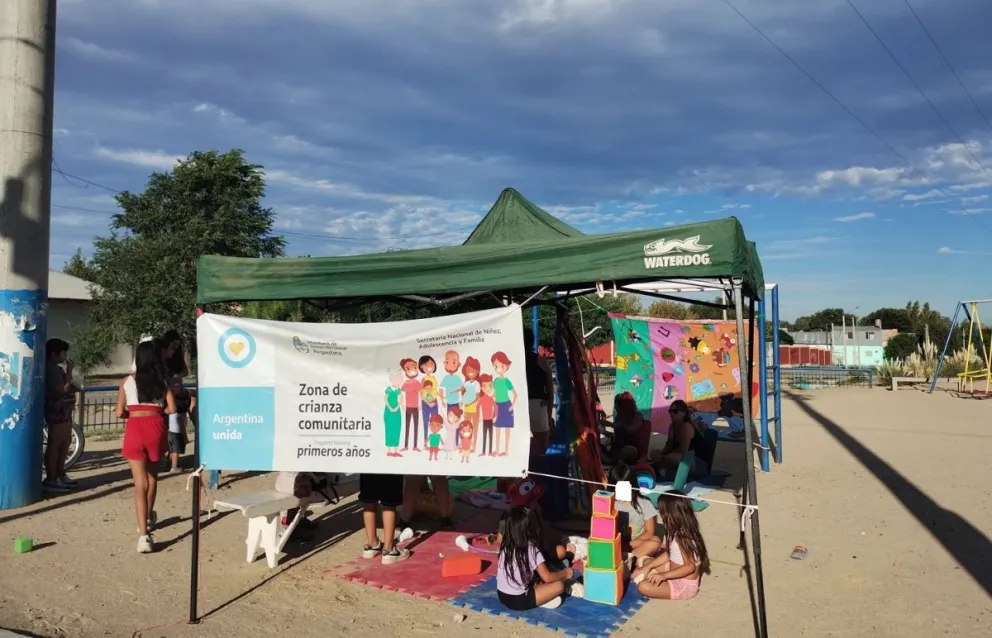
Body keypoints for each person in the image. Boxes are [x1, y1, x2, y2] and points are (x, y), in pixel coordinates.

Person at [117, 340, 176, 553]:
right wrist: (159, 411)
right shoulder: (162, 382)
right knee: (152, 479)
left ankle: (143, 535)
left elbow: (119, 412)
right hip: (156, 427)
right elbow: (172, 408)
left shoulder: (126, 381)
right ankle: (149, 518)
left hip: (134, 427)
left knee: (139, 483)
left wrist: (130, 413)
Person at [496, 506, 576, 611]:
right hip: (519, 600)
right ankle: (544, 600)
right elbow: (548, 577)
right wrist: (566, 573)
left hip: (501, 595)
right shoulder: (531, 549)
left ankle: (542, 595)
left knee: (539, 576)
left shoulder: (506, 544)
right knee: (560, 585)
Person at [633, 490, 708, 600]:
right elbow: (670, 554)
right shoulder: (676, 529)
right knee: (644, 561)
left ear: (670, 513)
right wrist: (648, 567)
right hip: (672, 569)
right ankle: (651, 572)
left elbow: (689, 567)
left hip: (683, 584)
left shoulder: (684, 537)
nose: (661, 514)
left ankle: (655, 576)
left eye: (662, 511)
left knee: (643, 586)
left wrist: (663, 576)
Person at [43, 338, 80, 493]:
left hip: (64, 411)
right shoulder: (51, 369)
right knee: (56, 442)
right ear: (54, 354)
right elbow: (62, 389)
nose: (66, 355)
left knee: (65, 441)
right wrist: (70, 370)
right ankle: (52, 478)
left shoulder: (57, 368)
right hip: (57, 410)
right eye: (63, 352)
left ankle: (60, 473)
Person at [608, 463, 662, 565]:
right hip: (614, 544)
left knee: (656, 541)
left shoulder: (644, 503)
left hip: (635, 544)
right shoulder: (610, 502)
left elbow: (649, 532)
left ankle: (627, 560)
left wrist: (630, 544)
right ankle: (628, 560)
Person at [358, 473, 410, 565]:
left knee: (369, 501)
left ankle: (372, 544)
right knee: (389, 502)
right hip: (389, 464)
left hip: (368, 463)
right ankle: (389, 550)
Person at [161, 331, 193, 473]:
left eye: (176, 346)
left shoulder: (176, 359)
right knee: (172, 427)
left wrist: (177, 376)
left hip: (175, 398)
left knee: (174, 425)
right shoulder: (161, 362)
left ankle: (173, 462)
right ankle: (171, 462)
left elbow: (185, 371)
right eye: (172, 346)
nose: (174, 349)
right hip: (169, 397)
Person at [650, 400, 708, 477]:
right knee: (654, 453)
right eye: (670, 411)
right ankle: (664, 470)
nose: (672, 414)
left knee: (671, 457)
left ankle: (662, 469)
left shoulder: (686, 426)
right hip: (682, 458)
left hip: (696, 462)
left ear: (684, 413)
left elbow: (683, 451)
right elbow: (669, 445)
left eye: (675, 411)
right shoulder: (672, 426)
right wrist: (660, 455)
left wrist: (663, 457)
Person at [523, 328, 555, 456]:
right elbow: (550, 391)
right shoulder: (541, 361)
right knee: (542, 449)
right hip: (538, 403)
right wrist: (548, 414)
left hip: (518, 405)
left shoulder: (511, 361)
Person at [600, 392, 651, 466]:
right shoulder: (619, 418)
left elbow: (632, 429)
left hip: (631, 449)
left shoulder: (637, 416)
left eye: (616, 405)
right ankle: (611, 460)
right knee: (597, 447)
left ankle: (611, 461)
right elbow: (616, 437)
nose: (615, 407)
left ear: (623, 406)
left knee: (630, 450)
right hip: (616, 448)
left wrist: (611, 424)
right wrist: (603, 431)